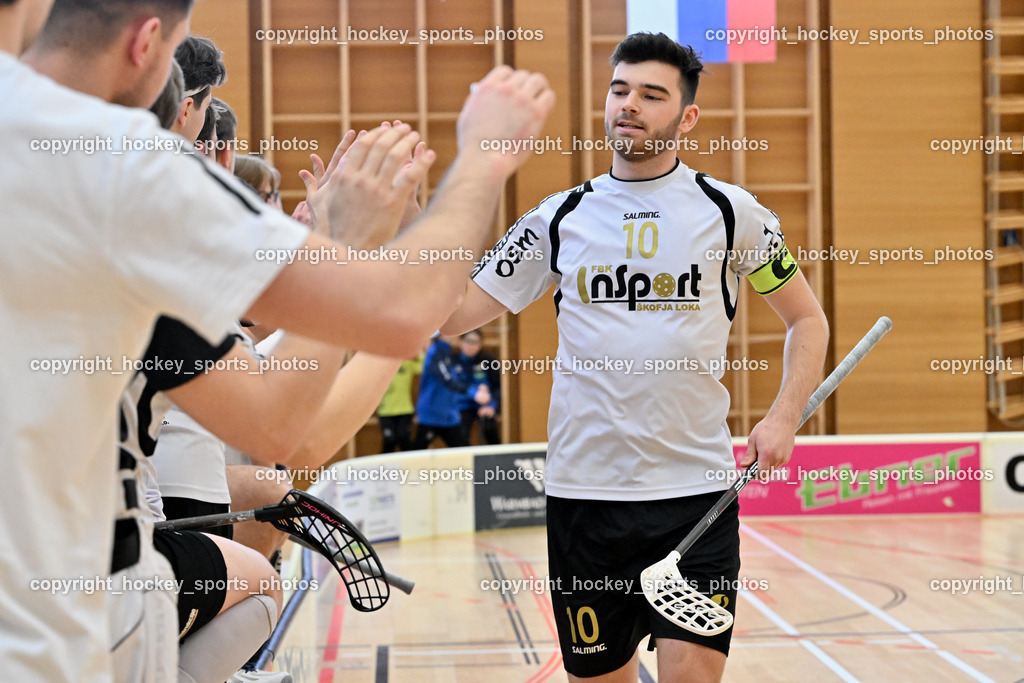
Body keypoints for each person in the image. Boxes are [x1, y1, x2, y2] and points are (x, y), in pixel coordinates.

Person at [2, 0, 555, 679]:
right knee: (249, 536)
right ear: (148, 45)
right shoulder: (119, 166)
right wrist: (482, 160)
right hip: (60, 625)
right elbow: (302, 397)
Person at [443, 32, 828, 683]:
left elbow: (806, 319)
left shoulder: (733, 215)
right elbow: (452, 313)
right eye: (620, 89)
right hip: (585, 500)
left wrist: (785, 415)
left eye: (652, 95)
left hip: (697, 497)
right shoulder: (558, 218)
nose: (629, 105)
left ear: (687, 116)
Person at [456, 329, 501, 444]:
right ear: (461, 341)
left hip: (485, 405)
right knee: (460, 433)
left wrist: (491, 405)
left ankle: (497, 460)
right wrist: (475, 393)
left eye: (475, 342)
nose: (471, 346)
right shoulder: (453, 361)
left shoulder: (489, 361)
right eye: (468, 341)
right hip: (462, 406)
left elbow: (497, 386)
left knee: (489, 428)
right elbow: (455, 386)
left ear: (480, 344)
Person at [377, 352, 423, 453]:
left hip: (405, 410)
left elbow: (423, 366)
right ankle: (384, 468)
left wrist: (416, 352)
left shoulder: (406, 364)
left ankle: (409, 468)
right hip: (385, 411)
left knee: (404, 442)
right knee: (389, 441)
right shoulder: (380, 364)